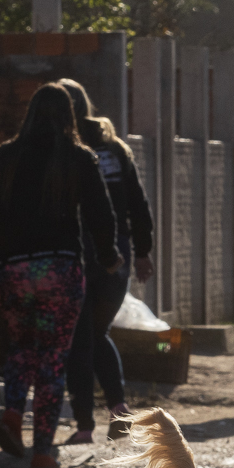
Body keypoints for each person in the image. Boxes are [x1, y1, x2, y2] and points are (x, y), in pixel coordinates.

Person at [0, 83, 120, 468]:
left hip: (12, 271)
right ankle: (43, 453)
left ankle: (13, 416)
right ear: (69, 116)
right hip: (59, 274)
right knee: (52, 358)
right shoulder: (78, 158)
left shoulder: (6, 156)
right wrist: (108, 256)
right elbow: (101, 215)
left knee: (21, 346)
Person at [55, 78, 153, 445]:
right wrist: (142, 252)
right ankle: (118, 409)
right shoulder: (115, 150)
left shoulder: (62, 151)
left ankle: (84, 426)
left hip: (78, 253)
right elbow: (138, 205)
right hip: (117, 255)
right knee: (96, 333)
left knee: (79, 338)